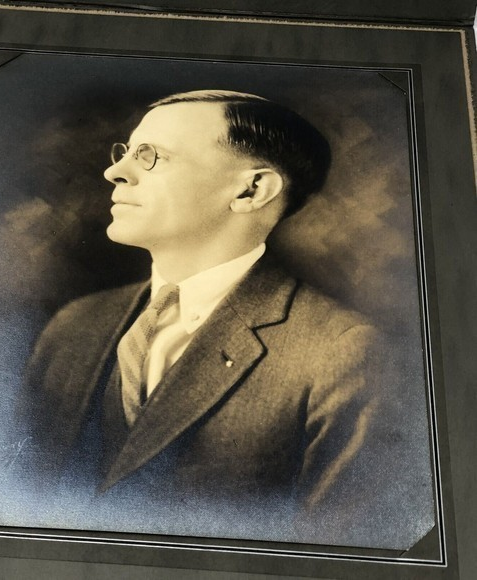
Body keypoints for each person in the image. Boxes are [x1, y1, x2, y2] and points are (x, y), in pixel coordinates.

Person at [23, 90, 414, 540]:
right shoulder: (74, 325)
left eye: (151, 156)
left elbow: (338, 552)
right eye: (126, 152)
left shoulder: (342, 353)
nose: (115, 171)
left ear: (251, 190)